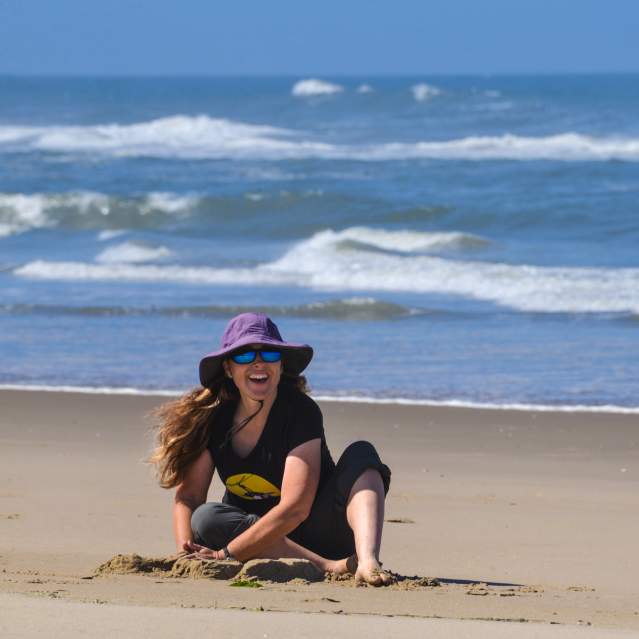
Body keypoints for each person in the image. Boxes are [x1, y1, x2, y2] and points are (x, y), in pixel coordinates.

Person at [150, 312, 392, 585]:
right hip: (259, 541)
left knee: (362, 453)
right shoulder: (213, 420)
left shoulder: (301, 411)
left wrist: (225, 555)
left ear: (280, 364)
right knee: (205, 518)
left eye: (269, 354)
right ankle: (330, 567)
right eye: (244, 356)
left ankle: (367, 560)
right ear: (228, 368)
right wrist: (185, 552)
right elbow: (190, 497)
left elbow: (296, 508)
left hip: (323, 531)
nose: (258, 363)